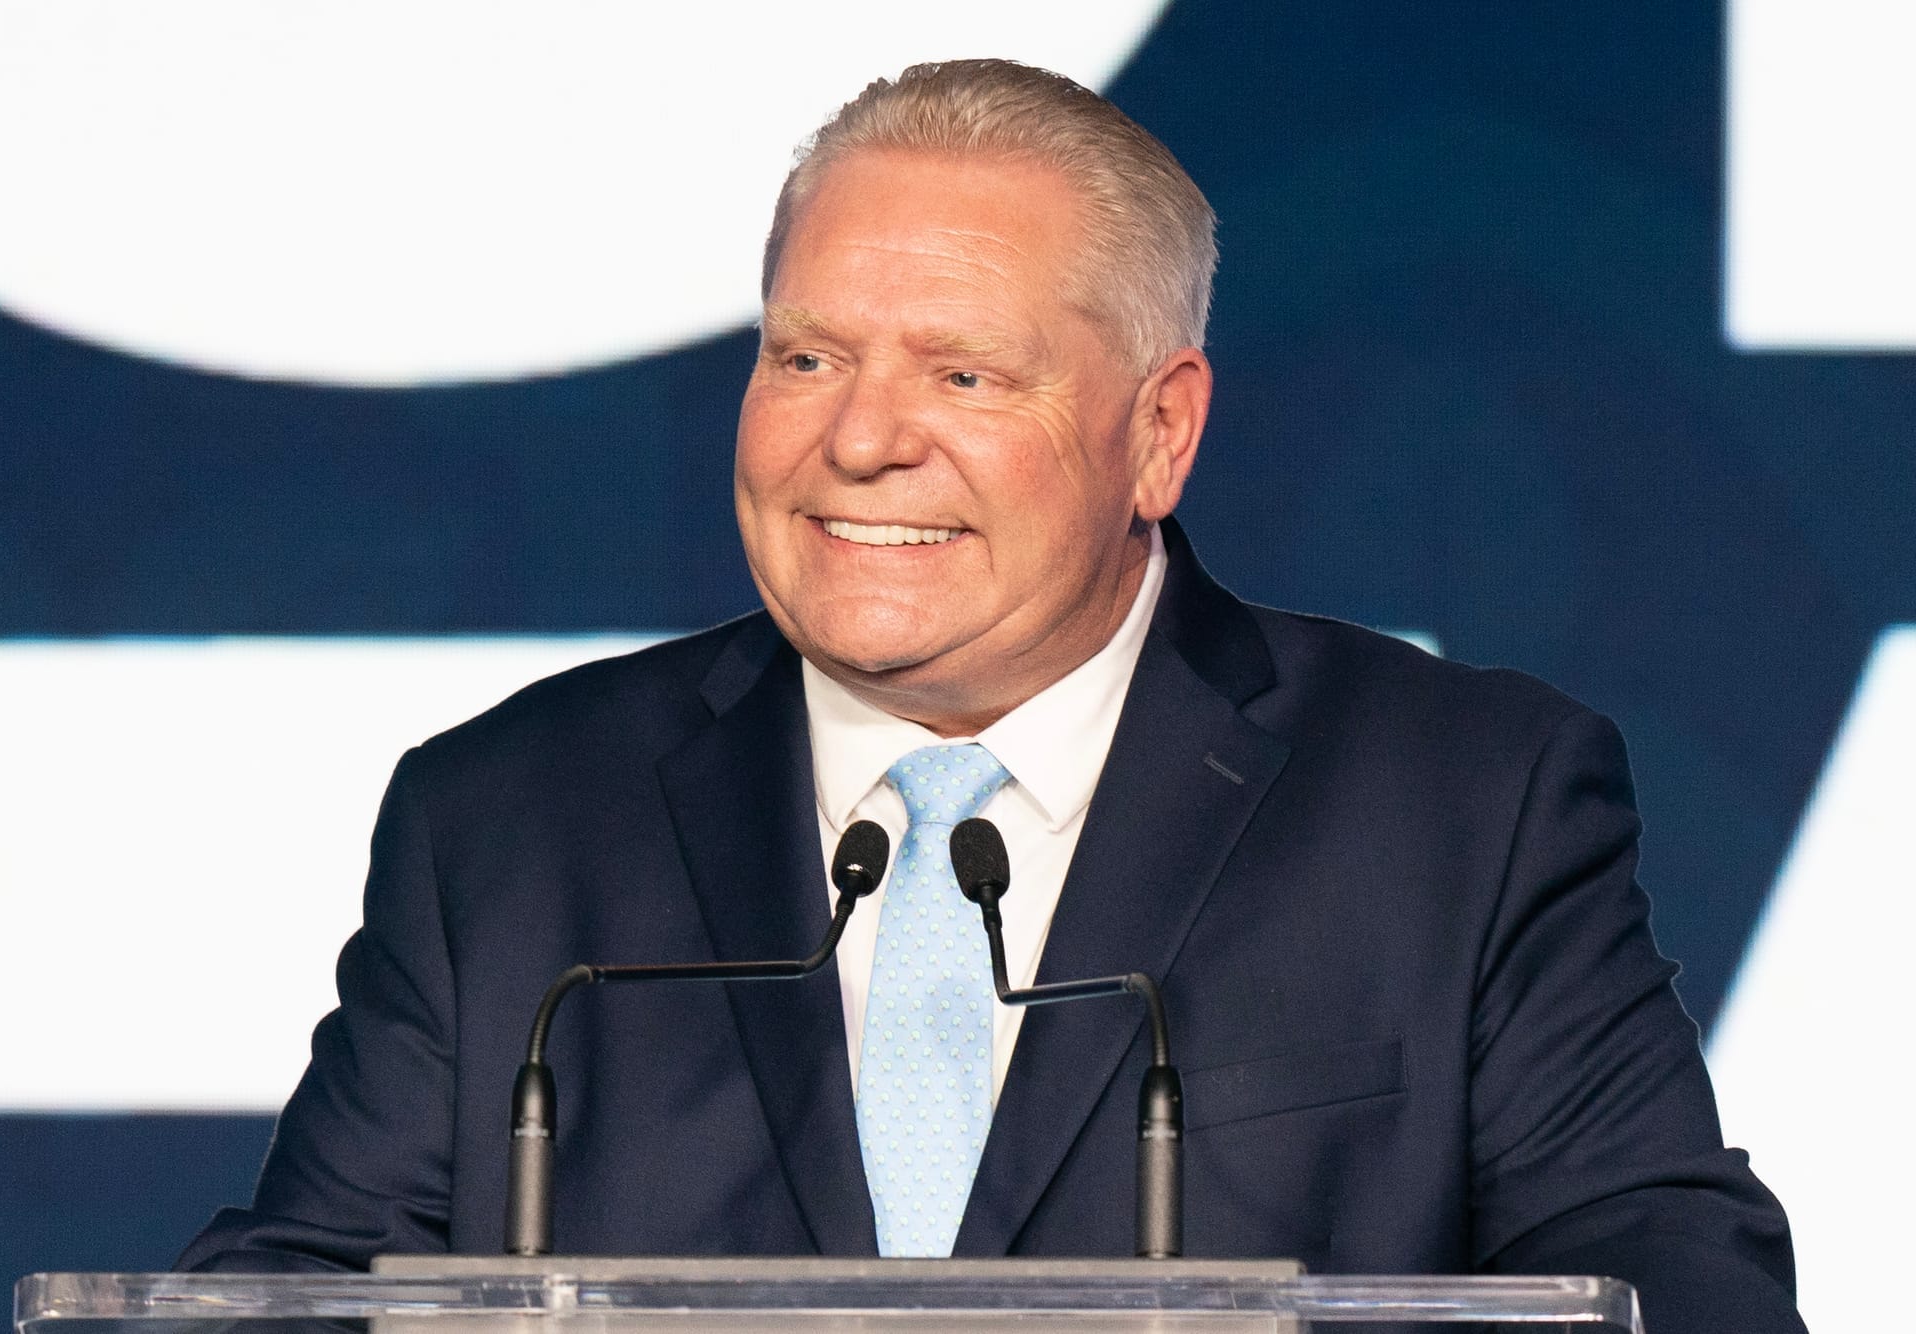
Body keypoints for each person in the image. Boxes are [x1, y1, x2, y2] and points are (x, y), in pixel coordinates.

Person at [180, 60, 1804, 1332]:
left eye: (962, 373)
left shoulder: (1464, 803)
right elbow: (307, 1291)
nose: (861, 438)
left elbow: (1669, 1276)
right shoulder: (513, 817)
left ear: (1158, 433)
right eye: (808, 356)